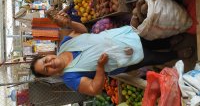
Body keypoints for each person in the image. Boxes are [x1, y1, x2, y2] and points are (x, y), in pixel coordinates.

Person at [30, 12, 193, 96]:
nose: (49, 64)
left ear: (46, 55)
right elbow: (94, 89)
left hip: (116, 38)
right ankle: (175, 54)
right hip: (120, 59)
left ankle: (169, 43)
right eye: (46, 69)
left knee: (146, 41)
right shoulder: (70, 78)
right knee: (150, 56)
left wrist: (69, 23)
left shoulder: (64, 45)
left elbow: (83, 31)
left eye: (45, 61)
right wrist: (100, 67)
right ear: (50, 75)